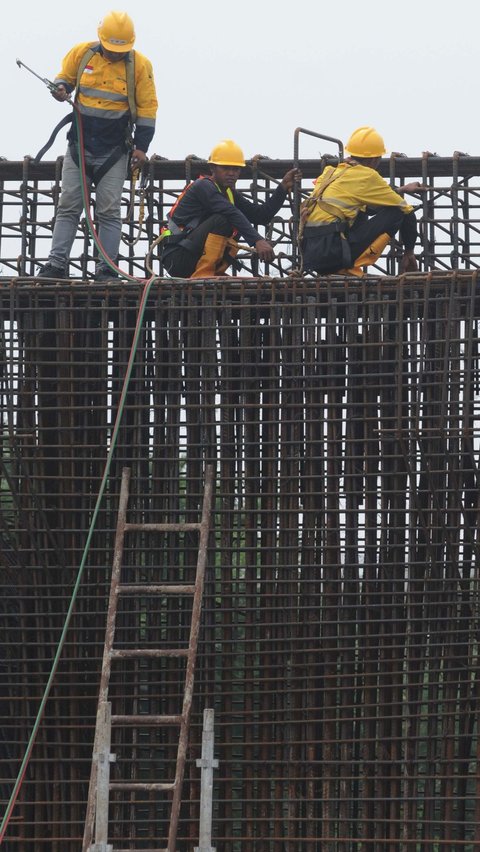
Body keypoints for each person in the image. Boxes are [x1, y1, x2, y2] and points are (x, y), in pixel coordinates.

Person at [37, 10, 158, 281]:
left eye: (121, 50)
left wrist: (142, 146)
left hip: (114, 151)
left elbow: (148, 107)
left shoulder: (139, 65)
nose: (115, 53)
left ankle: (106, 268)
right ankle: (56, 265)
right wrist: (59, 89)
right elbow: (64, 79)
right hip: (79, 146)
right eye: (111, 48)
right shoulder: (83, 54)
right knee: (68, 205)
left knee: (109, 211)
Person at [160, 139, 301, 278]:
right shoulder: (203, 186)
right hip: (177, 257)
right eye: (225, 168)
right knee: (225, 218)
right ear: (212, 168)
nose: (231, 173)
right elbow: (230, 212)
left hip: (190, 255)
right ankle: (204, 273)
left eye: (236, 169)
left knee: (235, 219)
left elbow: (260, 215)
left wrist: (282, 187)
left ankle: (211, 271)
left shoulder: (228, 193)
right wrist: (258, 241)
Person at [300, 125, 422, 277]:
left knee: (362, 209)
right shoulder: (367, 175)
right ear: (375, 159)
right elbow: (407, 211)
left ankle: (343, 265)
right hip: (334, 254)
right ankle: (349, 266)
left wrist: (401, 189)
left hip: (310, 254)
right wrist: (409, 251)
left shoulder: (330, 172)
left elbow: (365, 203)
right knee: (398, 212)